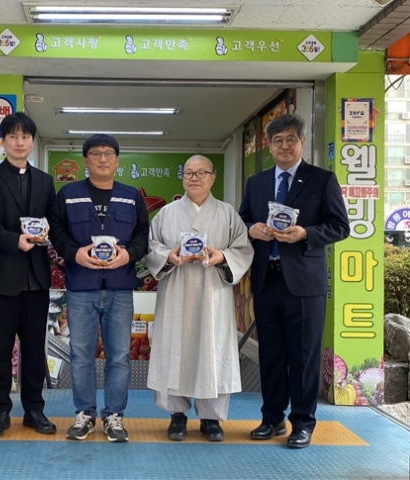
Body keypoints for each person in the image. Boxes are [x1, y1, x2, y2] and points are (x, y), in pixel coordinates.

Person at [239, 114, 349, 449]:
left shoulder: (321, 180)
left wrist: (305, 234)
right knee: (271, 353)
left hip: (304, 283)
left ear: (301, 142)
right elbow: (243, 219)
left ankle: (302, 423)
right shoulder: (257, 183)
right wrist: (252, 229)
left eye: (290, 139)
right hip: (266, 280)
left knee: (303, 355)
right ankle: (272, 418)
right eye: (278, 140)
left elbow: (339, 226)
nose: (284, 146)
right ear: (269, 145)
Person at [146, 155, 254, 442]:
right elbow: (152, 247)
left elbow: (243, 249)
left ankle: (211, 417)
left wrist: (222, 256)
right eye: (189, 173)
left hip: (213, 293)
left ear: (212, 177)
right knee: (174, 347)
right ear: (182, 177)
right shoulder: (166, 214)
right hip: (176, 290)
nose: (194, 178)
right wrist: (169, 256)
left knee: (213, 349)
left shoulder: (228, 213)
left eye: (201, 173)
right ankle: (177, 414)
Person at [49, 134, 149, 443]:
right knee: (81, 355)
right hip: (81, 286)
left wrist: (128, 255)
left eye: (108, 154)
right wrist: (74, 253)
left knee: (119, 356)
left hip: (120, 287)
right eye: (95, 154)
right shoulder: (69, 194)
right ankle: (85, 414)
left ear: (117, 160)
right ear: (85, 161)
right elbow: (57, 231)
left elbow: (143, 235)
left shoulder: (131, 196)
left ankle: (114, 416)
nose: (102, 159)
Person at [0, 112, 57, 438]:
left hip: (36, 280)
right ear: (3, 141)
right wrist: (14, 241)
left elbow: (52, 221)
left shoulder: (45, 181)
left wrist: (47, 232)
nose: (20, 142)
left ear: (32, 141)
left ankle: (34, 409)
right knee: (0, 349)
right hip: (0, 279)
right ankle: (0, 412)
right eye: (13, 136)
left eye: (25, 136)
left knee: (35, 350)